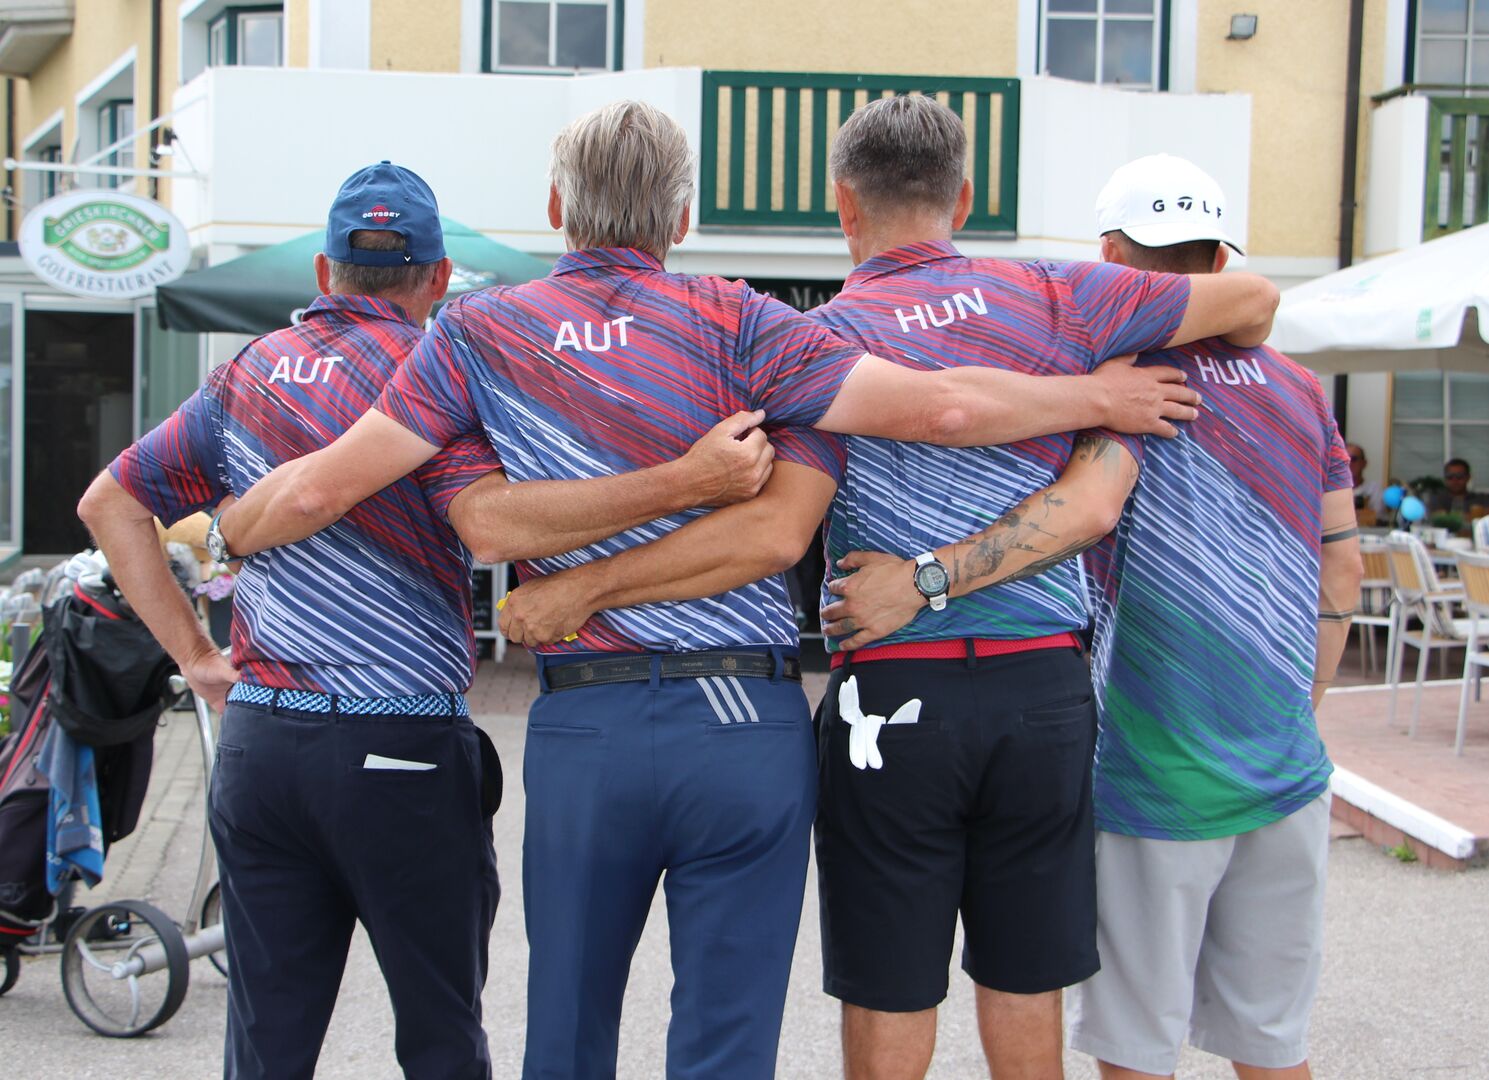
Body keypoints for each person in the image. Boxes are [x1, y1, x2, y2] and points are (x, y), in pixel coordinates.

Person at [206, 100, 1272, 1080]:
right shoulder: (749, 324)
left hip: (593, 719)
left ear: (555, 209)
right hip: (756, 719)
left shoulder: (477, 334)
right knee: (738, 1042)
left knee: (567, 1032)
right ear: (683, 215)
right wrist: (1091, 397)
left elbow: (368, 499)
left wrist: (225, 530)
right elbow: (919, 426)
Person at [74, 161, 773, 1080]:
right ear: (440, 277)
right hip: (399, 745)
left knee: (266, 1046)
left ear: (324, 271)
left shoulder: (243, 375)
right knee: (441, 1040)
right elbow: (495, 524)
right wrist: (684, 481)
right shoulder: (436, 373)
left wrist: (197, 656)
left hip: (261, 746)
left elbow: (108, 504)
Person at [821, 151, 1362, 1080]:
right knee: (1271, 1046)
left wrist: (922, 581)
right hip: (1280, 765)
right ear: (1219, 257)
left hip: (1152, 772)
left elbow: (1086, 508)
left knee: (1127, 1048)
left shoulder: (1126, 371)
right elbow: (1341, 568)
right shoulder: (1303, 391)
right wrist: (1295, 711)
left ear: (1112, 254)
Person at [1347, 442, 1384, 523]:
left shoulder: (1374, 489)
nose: (1349, 463)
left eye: (1353, 459)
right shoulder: (1330, 489)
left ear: (1364, 463)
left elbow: (1377, 517)